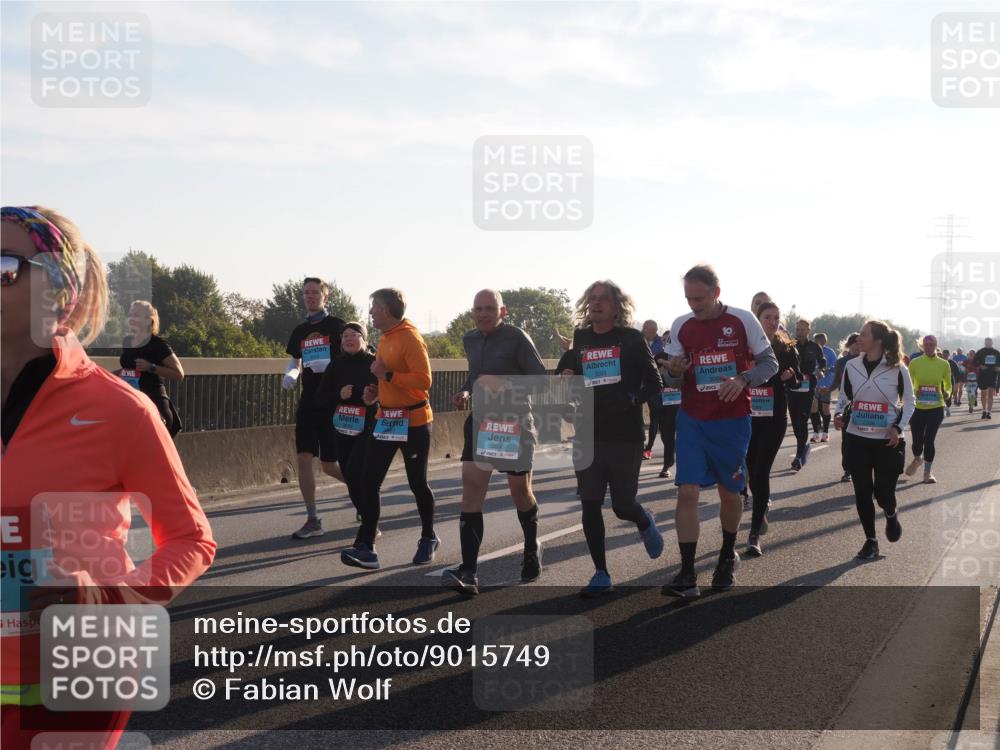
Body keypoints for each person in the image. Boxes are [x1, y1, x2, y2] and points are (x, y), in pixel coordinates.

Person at [2, 205, 216, 748]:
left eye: (3, 266)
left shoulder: (120, 409)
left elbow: (192, 540)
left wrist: (108, 598)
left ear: (55, 290)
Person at [661, 265, 778, 597]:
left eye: (699, 298)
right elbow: (670, 377)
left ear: (716, 292)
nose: (693, 304)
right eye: (688, 298)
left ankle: (727, 556)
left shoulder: (742, 320)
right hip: (693, 418)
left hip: (732, 419)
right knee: (687, 491)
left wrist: (742, 379)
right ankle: (686, 573)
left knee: (730, 492)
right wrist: (676, 372)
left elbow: (770, 364)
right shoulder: (681, 325)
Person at [561, 280, 664, 597]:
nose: (596, 303)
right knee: (590, 503)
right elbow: (570, 368)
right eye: (592, 298)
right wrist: (564, 376)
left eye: (603, 299)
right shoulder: (581, 338)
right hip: (588, 432)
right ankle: (601, 573)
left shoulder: (631, 339)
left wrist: (631, 400)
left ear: (617, 306)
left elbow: (654, 382)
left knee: (621, 505)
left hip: (625, 434)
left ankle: (643, 519)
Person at [442, 290, 547, 596]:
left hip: (514, 425)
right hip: (482, 424)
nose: (483, 313)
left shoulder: (517, 338)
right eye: (478, 308)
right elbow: (476, 375)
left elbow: (540, 381)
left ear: (504, 311)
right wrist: (465, 390)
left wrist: (502, 384)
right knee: (471, 489)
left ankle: (532, 545)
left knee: (520, 493)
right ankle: (469, 571)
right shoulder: (470, 339)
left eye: (490, 308)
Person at [342, 288, 438, 570]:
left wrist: (387, 376)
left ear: (386, 310)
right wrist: (376, 391)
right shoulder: (385, 338)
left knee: (416, 483)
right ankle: (366, 546)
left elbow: (424, 380)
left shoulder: (410, 337)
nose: (370, 312)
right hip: (386, 419)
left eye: (373, 307)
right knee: (367, 480)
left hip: (414, 421)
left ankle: (428, 536)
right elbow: (386, 378)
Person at [834, 320, 914, 560]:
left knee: (883, 494)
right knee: (862, 491)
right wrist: (838, 414)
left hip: (886, 440)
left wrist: (897, 428)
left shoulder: (897, 368)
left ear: (878, 340)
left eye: (864, 334)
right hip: (857, 437)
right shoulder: (852, 366)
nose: (859, 338)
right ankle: (871, 540)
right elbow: (845, 397)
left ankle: (890, 514)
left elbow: (910, 402)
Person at [282, 277, 347, 539]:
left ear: (325, 297)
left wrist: (333, 368)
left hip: (332, 402)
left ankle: (363, 494)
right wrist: (291, 375)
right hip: (309, 401)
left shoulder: (337, 326)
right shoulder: (299, 331)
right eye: (306, 292)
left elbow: (353, 355)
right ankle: (313, 519)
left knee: (329, 466)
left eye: (315, 292)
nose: (310, 296)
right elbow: (295, 361)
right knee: (303, 458)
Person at [744, 302, 801, 557]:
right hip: (747, 415)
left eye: (776, 318)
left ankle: (754, 534)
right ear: (757, 319)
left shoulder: (786, 347)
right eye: (768, 317)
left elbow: (798, 377)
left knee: (761, 470)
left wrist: (790, 377)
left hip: (774, 415)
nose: (773, 322)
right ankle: (762, 505)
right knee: (750, 468)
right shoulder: (745, 345)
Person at [316, 322, 378, 524]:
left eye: (354, 334)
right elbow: (321, 398)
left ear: (364, 338)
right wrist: (339, 395)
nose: (349, 338)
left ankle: (369, 523)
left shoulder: (374, 363)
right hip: (343, 428)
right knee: (350, 476)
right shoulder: (335, 365)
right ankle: (365, 513)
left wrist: (375, 395)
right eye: (345, 336)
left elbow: (391, 392)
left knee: (360, 472)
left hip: (369, 427)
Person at [116, 300, 184, 437]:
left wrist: (150, 367)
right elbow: (127, 370)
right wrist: (104, 375)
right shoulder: (127, 341)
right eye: (131, 314)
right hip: (132, 402)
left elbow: (179, 374)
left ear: (148, 320)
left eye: (136, 315)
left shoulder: (157, 344)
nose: (132, 318)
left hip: (154, 402)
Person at [905, 335, 951, 484]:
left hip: (936, 407)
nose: (929, 346)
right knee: (917, 441)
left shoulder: (944, 364)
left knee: (929, 440)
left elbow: (948, 385)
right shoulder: (915, 363)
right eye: (926, 344)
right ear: (922, 346)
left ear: (936, 345)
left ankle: (927, 472)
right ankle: (917, 458)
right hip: (918, 407)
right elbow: (908, 384)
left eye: (932, 344)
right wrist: (914, 391)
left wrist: (947, 393)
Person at [788, 318, 825, 470]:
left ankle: (798, 456)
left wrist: (820, 371)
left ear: (808, 331)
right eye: (797, 330)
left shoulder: (815, 347)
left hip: (808, 385)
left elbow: (822, 362)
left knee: (803, 419)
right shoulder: (790, 345)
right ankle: (803, 446)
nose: (800, 332)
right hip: (791, 386)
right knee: (795, 421)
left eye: (803, 330)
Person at [832, 333, 861, 482]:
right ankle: (847, 469)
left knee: (862, 439)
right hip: (847, 405)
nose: (857, 345)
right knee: (847, 439)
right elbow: (837, 382)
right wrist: (828, 390)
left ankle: (862, 467)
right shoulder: (842, 362)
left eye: (860, 342)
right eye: (854, 342)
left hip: (864, 406)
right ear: (849, 345)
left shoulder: (866, 361)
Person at [640, 319, 664, 460]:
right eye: (650, 330)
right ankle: (641, 444)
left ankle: (648, 448)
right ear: (644, 329)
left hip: (653, 384)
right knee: (637, 416)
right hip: (637, 383)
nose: (653, 333)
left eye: (655, 330)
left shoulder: (661, 342)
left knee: (655, 416)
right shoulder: (636, 340)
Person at [809, 332, 838, 442]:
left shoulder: (829, 352)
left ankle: (825, 433)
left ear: (824, 341)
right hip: (813, 383)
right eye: (815, 341)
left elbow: (835, 366)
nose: (816, 343)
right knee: (813, 407)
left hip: (825, 384)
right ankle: (816, 433)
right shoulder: (811, 351)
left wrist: (825, 370)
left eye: (818, 341)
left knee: (825, 409)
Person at [973, 338, 999, 419]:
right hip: (983, 375)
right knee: (983, 394)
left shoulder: (996, 352)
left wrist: (998, 368)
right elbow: (974, 362)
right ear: (984, 343)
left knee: (991, 393)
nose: (988, 343)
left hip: (992, 375)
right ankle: (984, 410)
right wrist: (980, 365)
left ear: (992, 343)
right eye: (986, 342)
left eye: (989, 342)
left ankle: (989, 412)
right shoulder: (980, 352)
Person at [941, 349, 962, 416]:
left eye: (946, 355)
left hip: (950, 381)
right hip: (940, 382)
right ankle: (942, 410)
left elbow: (957, 373)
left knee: (948, 396)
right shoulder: (939, 362)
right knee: (941, 395)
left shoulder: (952, 362)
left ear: (949, 355)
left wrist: (957, 382)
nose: (945, 356)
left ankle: (948, 407)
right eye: (943, 355)